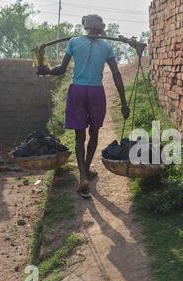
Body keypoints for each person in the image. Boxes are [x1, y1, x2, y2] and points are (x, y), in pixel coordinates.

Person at [37, 15, 130, 199]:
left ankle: (82, 176)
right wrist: (124, 102)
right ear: (100, 29)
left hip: (77, 91)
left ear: (84, 27)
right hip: (96, 91)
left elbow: (61, 69)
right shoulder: (106, 46)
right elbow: (116, 74)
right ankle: (86, 171)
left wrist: (46, 70)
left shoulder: (74, 42)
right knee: (93, 133)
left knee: (80, 136)